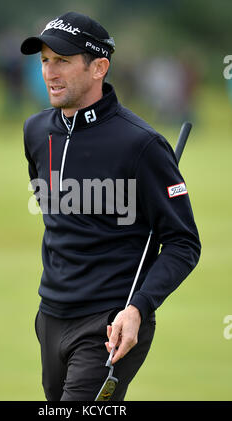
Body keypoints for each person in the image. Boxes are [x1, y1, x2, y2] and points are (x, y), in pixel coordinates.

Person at [21, 11, 201, 401]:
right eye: (45, 61)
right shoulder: (35, 132)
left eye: (63, 61)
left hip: (111, 322)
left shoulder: (142, 145)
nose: (50, 72)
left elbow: (184, 243)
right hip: (50, 315)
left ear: (99, 67)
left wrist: (138, 308)